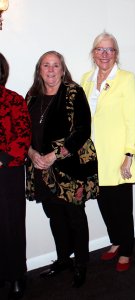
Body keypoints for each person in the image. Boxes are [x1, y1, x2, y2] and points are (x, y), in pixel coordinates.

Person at [26, 51, 99, 288]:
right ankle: (62, 259)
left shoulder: (73, 92)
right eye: (46, 65)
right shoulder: (32, 97)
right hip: (42, 169)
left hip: (69, 167)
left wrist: (53, 155)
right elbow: (24, 132)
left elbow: (82, 130)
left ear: (62, 69)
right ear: (39, 70)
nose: (50, 70)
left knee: (75, 217)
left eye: (55, 65)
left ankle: (81, 263)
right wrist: (32, 153)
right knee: (55, 217)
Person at [81, 32, 135, 272]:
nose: (104, 54)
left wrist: (129, 155)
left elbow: (134, 120)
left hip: (118, 155)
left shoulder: (126, 79)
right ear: (93, 53)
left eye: (110, 50)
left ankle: (126, 250)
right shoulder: (86, 79)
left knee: (122, 207)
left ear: (116, 54)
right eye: (100, 49)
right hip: (94, 156)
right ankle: (116, 241)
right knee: (104, 204)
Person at [0, 53, 31, 299]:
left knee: (11, 226)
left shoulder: (13, 99)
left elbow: (23, 138)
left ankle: (17, 275)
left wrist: (2, 158)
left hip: (7, 173)